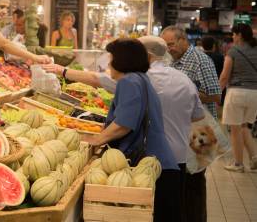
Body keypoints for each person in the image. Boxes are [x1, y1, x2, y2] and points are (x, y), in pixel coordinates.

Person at [43, 36, 205, 221]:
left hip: (149, 160)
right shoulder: (141, 78)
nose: (109, 64)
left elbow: (124, 125)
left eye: (112, 59)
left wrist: (95, 140)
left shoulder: (130, 81)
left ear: (122, 61)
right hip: (164, 160)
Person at [161, 25, 221, 222]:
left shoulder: (201, 60)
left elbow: (215, 94)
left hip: (200, 132)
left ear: (183, 40)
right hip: (180, 131)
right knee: (182, 181)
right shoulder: (171, 61)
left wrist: (187, 95)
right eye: (166, 45)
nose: (168, 48)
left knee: (195, 181)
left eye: (171, 44)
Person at [219, 23, 257, 172]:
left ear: (239, 35)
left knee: (235, 130)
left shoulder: (233, 51)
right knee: (244, 127)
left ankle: (238, 164)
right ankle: (254, 159)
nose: (233, 37)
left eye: (234, 34)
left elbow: (224, 76)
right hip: (255, 94)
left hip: (237, 93)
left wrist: (216, 92)